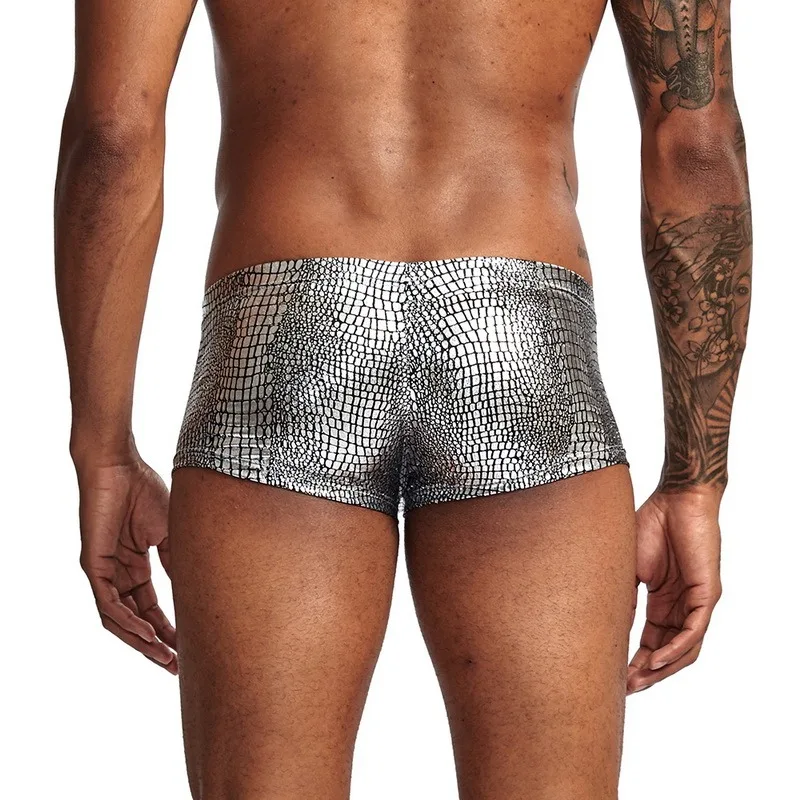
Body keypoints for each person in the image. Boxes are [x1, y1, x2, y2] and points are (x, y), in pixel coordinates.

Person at [54, 0, 751, 797]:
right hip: (521, 336)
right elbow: (695, 145)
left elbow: (113, 135)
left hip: (284, 333)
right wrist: (696, 481)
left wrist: (102, 449)